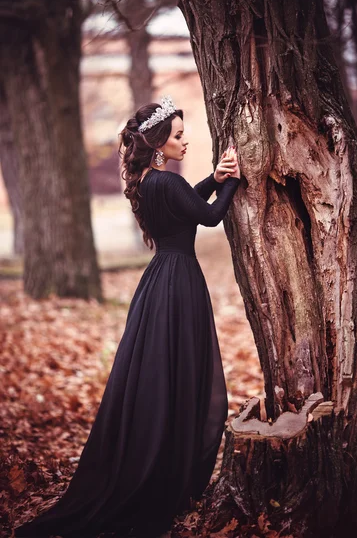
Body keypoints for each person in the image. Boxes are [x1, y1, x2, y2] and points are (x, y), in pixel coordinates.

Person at [14, 96, 241, 538]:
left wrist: (214, 178)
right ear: (158, 142)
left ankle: (160, 458)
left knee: (164, 373)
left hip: (160, 282)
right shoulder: (166, 182)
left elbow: (186, 210)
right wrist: (235, 177)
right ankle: (170, 471)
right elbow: (210, 217)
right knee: (180, 371)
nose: (184, 140)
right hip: (179, 285)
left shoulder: (148, 181)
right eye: (177, 135)